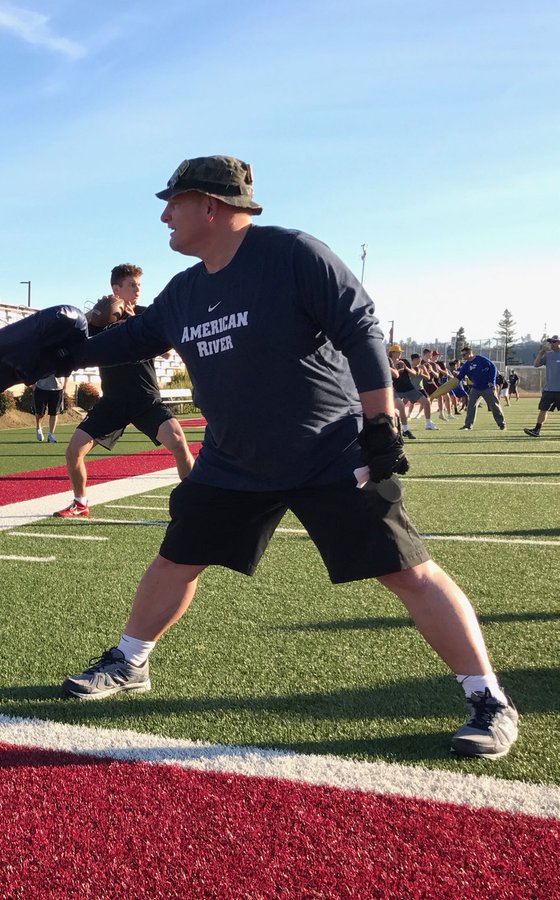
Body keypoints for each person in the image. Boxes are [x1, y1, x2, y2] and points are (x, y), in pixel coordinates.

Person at [59, 155, 518, 760]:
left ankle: (488, 699)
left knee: (406, 569)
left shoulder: (294, 254)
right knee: (176, 558)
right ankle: (129, 661)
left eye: (174, 203)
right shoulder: (185, 291)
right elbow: (123, 342)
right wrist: (47, 352)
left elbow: (362, 330)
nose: (166, 216)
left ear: (211, 206)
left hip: (326, 451)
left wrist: (379, 424)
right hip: (232, 460)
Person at [53, 264, 195, 518]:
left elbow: (166, 351)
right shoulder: (98, 319)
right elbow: (75, 337)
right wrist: (95, 313)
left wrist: (133, 322)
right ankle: (80, 502)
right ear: (116, 288)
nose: (138, 289)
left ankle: (197, 503)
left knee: (179, 443)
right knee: (73, 450)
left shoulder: (147, 315)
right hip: (113, 402)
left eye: (139, 284)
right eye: (132, 284)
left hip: (145, 399)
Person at [455, 347, 506, 431]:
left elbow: (493, 368)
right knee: (471, 406)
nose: (463, 357)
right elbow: (460, 376)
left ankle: (501, 424)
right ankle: (468, 425)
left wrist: (491, 381)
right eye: (462, 355)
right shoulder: (466, 365)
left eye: (464, 355)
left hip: (487, 387)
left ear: (469, 353)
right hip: (475, 388)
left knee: (494, 406)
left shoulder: (480, 359)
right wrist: (455, 377)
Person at [523, 335, 560, 437]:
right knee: (543, 409)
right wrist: (540, 353)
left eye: (554, 341)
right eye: (551, 342)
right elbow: (536, 364)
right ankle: (536, 430)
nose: (551, 343)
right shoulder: (548, 355)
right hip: (549, 389)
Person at [33, 372, 68, 442]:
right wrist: (33, 385)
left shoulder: (61, 360)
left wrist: (65, 385)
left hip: (57, 388)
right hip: (41, 388)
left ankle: (51, 434)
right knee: (40, 413)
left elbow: (67, 371)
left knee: (54, 412)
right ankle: (38, 427)